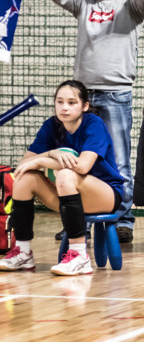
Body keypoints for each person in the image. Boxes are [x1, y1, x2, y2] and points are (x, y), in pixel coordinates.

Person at [15, 0, 144, 244]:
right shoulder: (84, 4)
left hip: (115, 95)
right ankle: (77, 220)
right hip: (83, 96)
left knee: (117, 160)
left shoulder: (130, 6)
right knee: (74, 161)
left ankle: (123, 221)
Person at [1, 81, 125, 276]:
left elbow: (82, 167)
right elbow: (26, 162)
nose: (64, 107)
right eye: (60, 102)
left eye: (71, 102)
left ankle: (79, 256)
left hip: (106, 194)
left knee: (67, 175)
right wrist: (52, 153)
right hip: (68, 197)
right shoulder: (51, 125)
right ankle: (23, 252)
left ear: (84, 106)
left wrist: (43, 160)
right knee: (24, 177)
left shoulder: (94, 124)